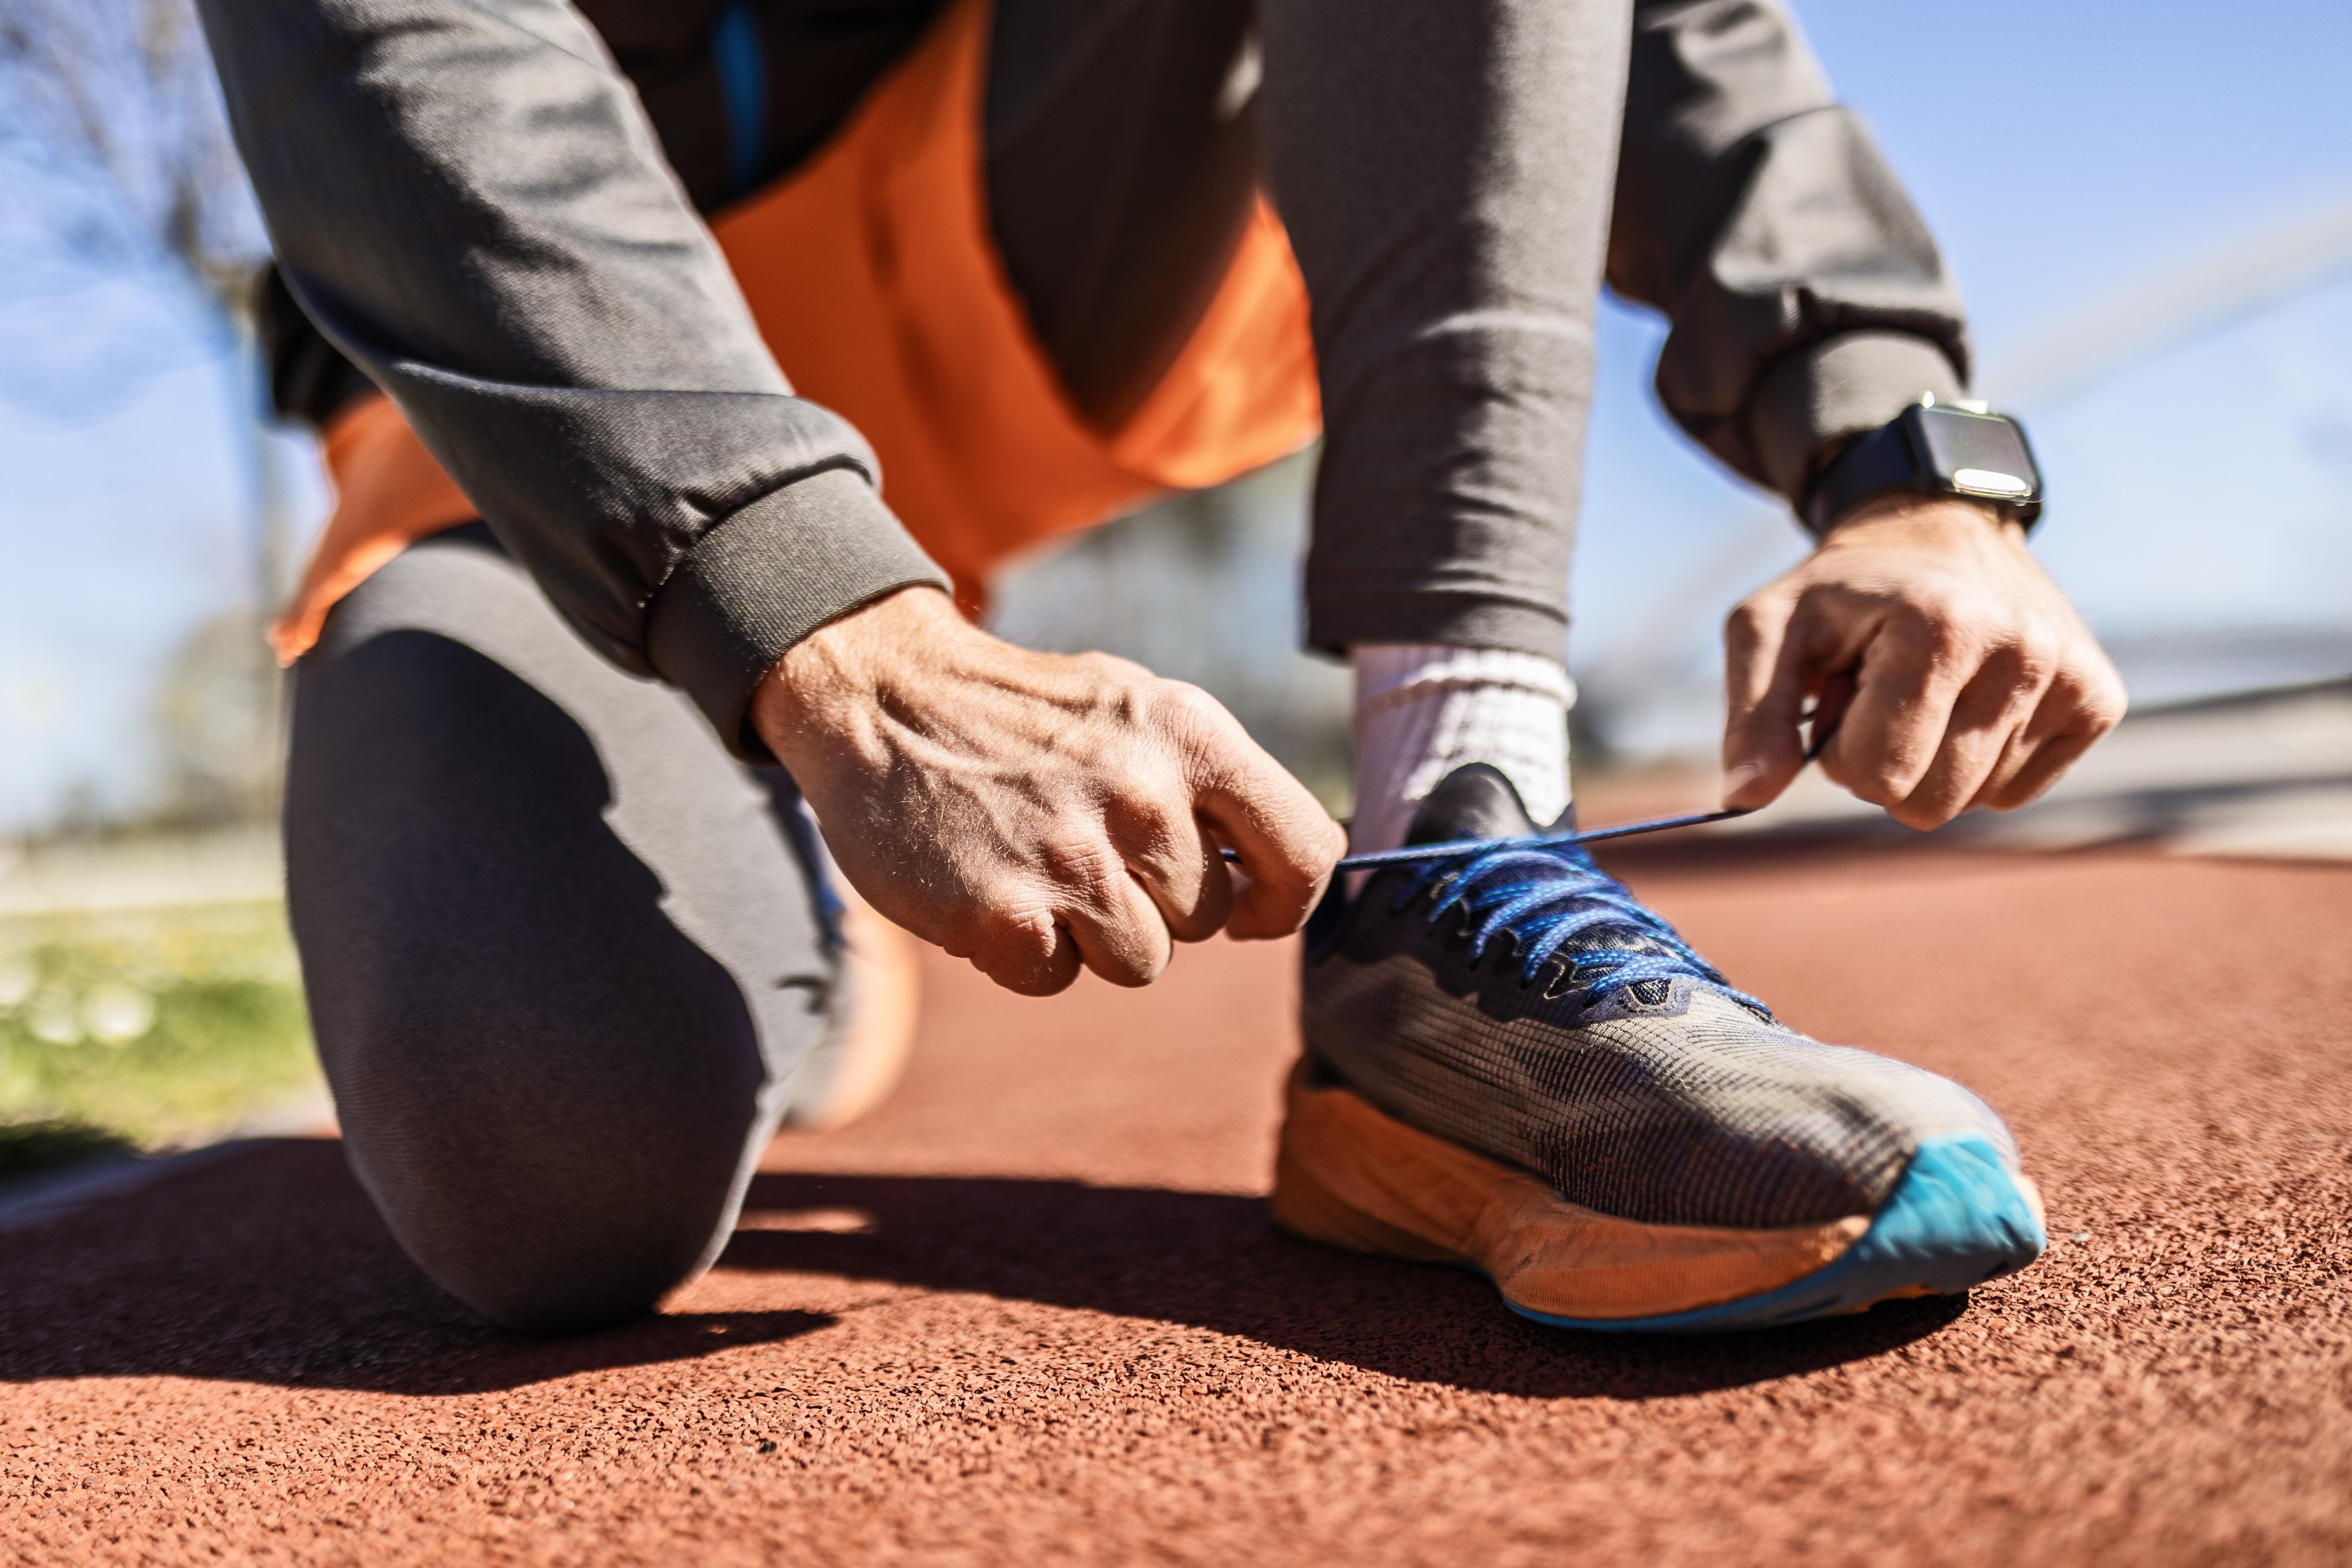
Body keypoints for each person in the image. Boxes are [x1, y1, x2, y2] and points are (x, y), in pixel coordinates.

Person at [197, 0, 2125, 1334]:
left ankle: (1456, 871)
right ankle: (774, 819)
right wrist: (821, 636)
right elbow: (397, 42)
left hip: (1024, 233)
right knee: (546, 1159)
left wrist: (1898, 446)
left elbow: (1666, 37)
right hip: (546, 454)